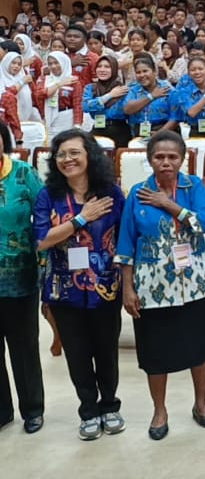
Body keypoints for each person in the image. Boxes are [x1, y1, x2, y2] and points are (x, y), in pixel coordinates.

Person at [115, 130, 205, 441]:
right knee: (155, 352)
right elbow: (126, 244)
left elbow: (203, 224)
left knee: (199, 347)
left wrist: (169, 205)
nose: (166, 162)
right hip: (152, 287)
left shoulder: (193, 186)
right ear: (150, 160)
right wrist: (127, 288)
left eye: (173, 156)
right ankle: (159, 410)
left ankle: (201, 404)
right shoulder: (137, 193)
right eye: (159, 157)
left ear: (182, 159)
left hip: (195, 284)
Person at [34, 129, 126, 440]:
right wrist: (81, 219)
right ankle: (88, 410)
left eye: (74, 152)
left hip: (106, 286)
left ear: (90, 156)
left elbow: (125, 237)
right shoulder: (48, 196)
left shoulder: (111, 193)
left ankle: (110, 405)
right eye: (61, 154)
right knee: (76, 352)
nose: (67, 159)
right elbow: (41, 240)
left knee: (106, 350)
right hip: (64, 289)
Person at [0, 123, 46, 435]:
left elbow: (44, 214)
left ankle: (32, 409)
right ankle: (2, 412)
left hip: (20, 275)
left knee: (24, 346)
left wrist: (44, 258)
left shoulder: (23, 173)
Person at [122, 56, 177, 140]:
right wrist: (151, 96)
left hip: (165, 130)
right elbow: (127, 109)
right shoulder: (133, 89)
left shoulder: (167, 88)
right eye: (138, 72)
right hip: (139, 131)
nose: (142, 75)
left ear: (154, 71)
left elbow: (176, 116)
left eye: (145, 71)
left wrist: (161, 133)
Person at [82, 56, 131, 148]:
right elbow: (86, 107)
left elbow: (127, 111)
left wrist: (98, 102)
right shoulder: (91, 88)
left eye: (107, 67)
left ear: (114, 69)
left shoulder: (123, 89)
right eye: (99, 66)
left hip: (119, 130)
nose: (102, 70)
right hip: (98, 128)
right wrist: (110, 95)